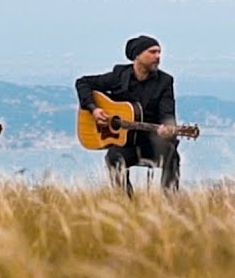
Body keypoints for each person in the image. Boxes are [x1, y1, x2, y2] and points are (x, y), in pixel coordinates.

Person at [75, 35, 180, 196]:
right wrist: (94, 109)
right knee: (113, 158)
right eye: (152, 52)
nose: (158, 56)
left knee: (172, 155)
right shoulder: (119, 76)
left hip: (151, 142)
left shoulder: (164, 81)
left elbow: (167, 113)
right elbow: (83, 83)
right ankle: (127, 203)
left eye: (159, 52)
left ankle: (170, 204)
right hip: (126, 144)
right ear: (137, 55)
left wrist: (167, 129)